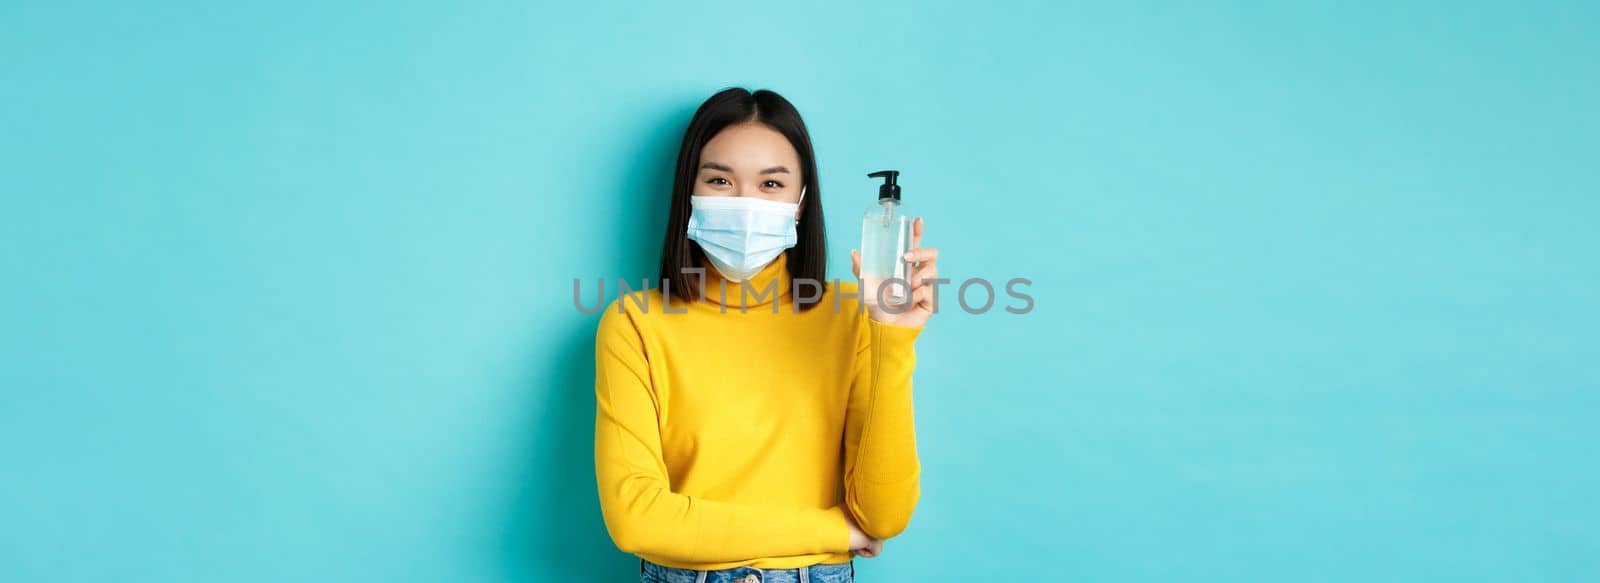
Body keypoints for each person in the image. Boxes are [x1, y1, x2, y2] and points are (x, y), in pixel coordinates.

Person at [593, 87, 939, 583]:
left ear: (800, 202)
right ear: (689, 194)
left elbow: (883, 515)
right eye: (719, 180)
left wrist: (893, 337)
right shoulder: (635, 324)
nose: (745, 203)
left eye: (771, 184)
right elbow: (635, 520)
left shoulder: (853, 316)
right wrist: (832, 531)